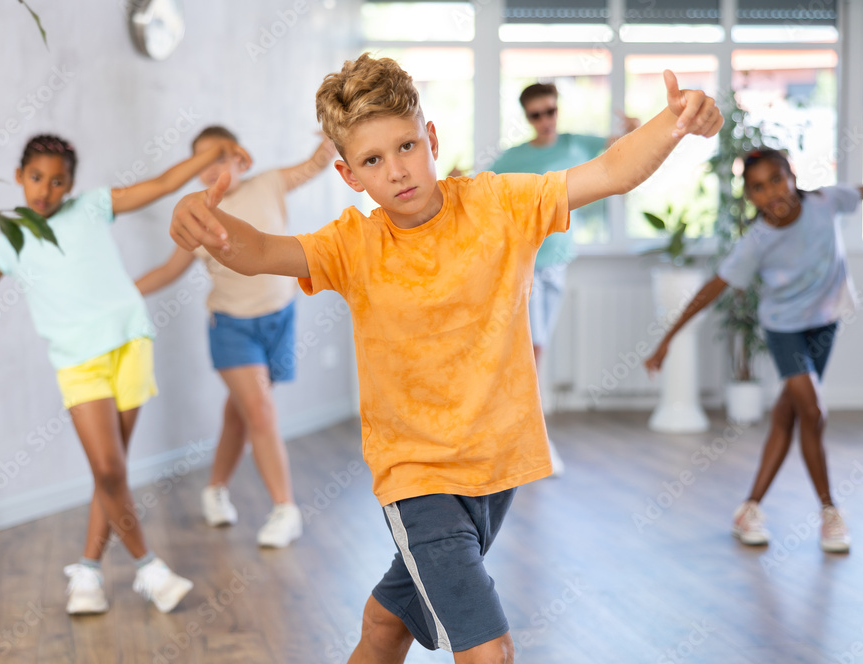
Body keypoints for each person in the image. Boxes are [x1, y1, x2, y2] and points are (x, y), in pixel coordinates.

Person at [169, 54, 722, 663]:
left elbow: (610, 170)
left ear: (431, 137)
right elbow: (261, 250)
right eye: (372, 160)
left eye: (406, 146)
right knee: (491, 652)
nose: (397, 171)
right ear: (350, 175)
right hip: (416, 477)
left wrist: (672, 123)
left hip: (494, 471)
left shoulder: (502, 205)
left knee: (386, 626)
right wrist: (209, 224)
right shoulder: (353, 245)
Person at [0, 133, 247, 615]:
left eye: (57, 181)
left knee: (113, 475)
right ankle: (148, 567)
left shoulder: (91, 207)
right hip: (77, 363)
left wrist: (215, 151)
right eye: (36, 178)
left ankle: (87, 574)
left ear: (71, 185)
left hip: (130, 342)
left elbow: (165, 181)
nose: (45, 190)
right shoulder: (12, 240)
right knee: (108, 471)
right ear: (20, 177)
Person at [644, 148, 863, 554]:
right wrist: (666, 340)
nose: (771, 194)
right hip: (784, 329)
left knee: (788, 414)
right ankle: (830, 511)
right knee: (813, 411)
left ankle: (749, 509)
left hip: (825, 323)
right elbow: (712, 289)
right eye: (758, 188)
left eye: (776, 180)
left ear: (792, 175)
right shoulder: (757, 241)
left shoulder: (825, 201)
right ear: (749, 197)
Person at [135, 125, 335, 547]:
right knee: (260, 411)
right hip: (231, 326)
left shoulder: (270, 183)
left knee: (240, 412)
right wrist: (124, 293)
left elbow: (317, 164)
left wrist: (334, 134)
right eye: (201, 163)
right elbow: (169, 270)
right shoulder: (197, 215)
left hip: (279, 319)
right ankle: (286, 509)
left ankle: (215, 490)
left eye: (219, 158)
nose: (211, 169)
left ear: (241, 160)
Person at [488, 82, 640, 477]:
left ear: (557, 110)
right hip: (525, 267)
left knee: (536, 352)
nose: (545, 121)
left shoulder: (577, 145)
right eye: (536, 115)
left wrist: (637, 129)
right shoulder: (514, 158)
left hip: (558, 264)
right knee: (532, 354)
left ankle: (522, 439)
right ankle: (531, 443)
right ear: (527, 118)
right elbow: (479, 193)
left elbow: (622, 153)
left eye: (550, 111)